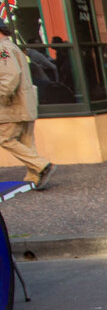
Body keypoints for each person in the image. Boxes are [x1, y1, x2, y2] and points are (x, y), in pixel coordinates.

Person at [0, 20, 54, 190]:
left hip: (13, 105)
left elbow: (10, 76)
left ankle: (42, 166)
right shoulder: (11, 47)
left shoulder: (3, 49)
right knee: (26, 141)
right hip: (24, 103)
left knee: (5, 138)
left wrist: (2, 95)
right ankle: (34, 177)